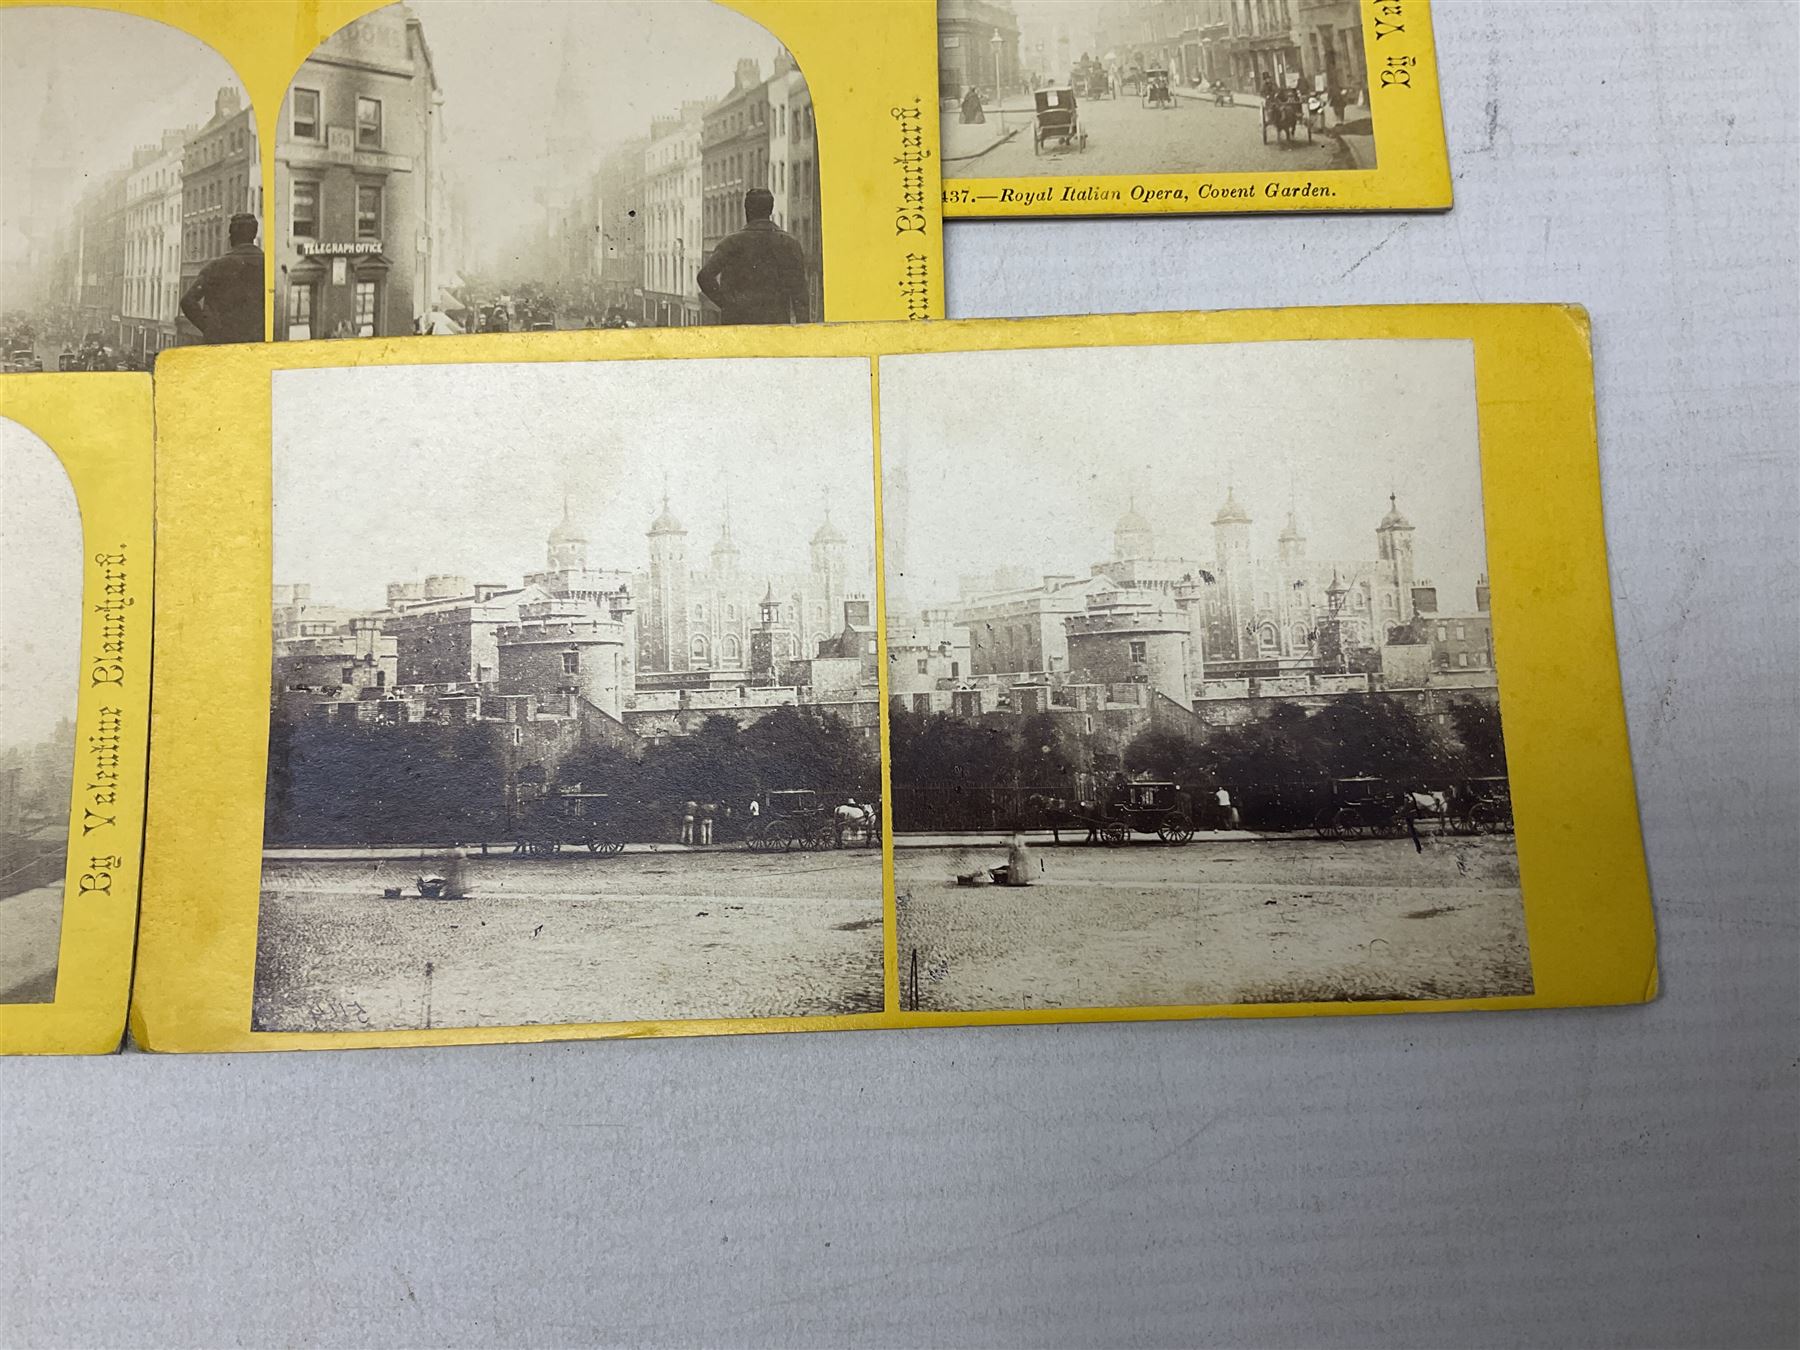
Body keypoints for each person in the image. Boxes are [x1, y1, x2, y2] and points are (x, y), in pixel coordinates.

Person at [695, 188, 810, 326]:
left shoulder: (731, 243)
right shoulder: (790, 244)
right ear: (770, 210)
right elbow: (800, 295)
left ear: (747, 211)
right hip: (775, 327)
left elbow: (704, 276)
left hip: (738, 326)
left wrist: (727, 304)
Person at [179, 213, 264, 345]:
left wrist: (210, 329)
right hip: (257, 345)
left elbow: (187, 301)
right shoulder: (268, 265)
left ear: (232, 237)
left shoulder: (216, 267)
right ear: (253, 235)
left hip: (222, 345)